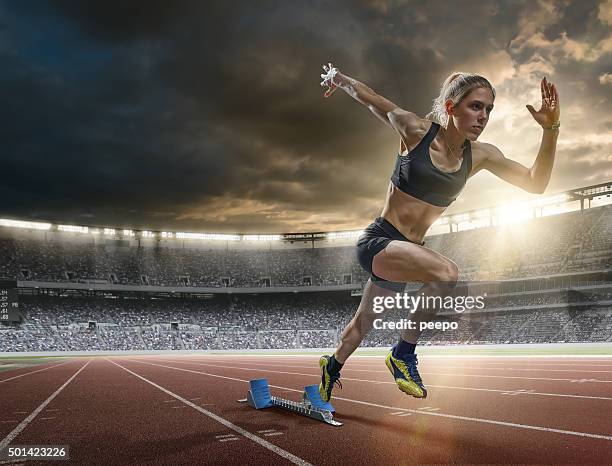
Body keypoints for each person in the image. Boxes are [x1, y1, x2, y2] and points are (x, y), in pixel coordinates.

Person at [318, 62, 560, 401]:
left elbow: (536, 183)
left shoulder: (481, 156)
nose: (483, 116)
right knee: (446, 273)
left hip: (406, 254)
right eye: (475, 106)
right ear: (451, 107)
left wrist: (551, 130)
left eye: (488, 109)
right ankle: (403, 353)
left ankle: (331, 366)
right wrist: (340, 80)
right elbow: (372, 98)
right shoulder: (415, 131)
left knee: (359, 328)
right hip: (379, 242)